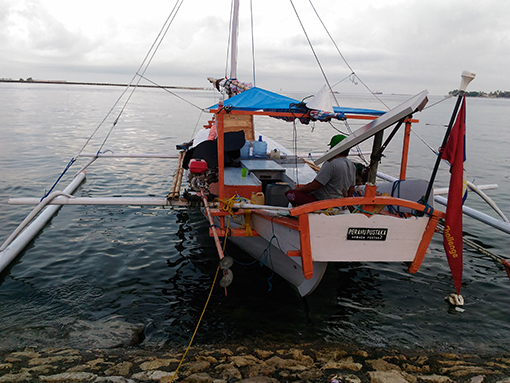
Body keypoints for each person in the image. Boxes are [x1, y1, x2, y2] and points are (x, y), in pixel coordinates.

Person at [285, 134, 356, 206]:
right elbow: (351, 189)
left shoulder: (331, 163)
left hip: (324, 201)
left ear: (335, 148)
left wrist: (296, 190)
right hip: (340, 202)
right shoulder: (351, 165)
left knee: (290, 194)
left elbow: (314, 186)